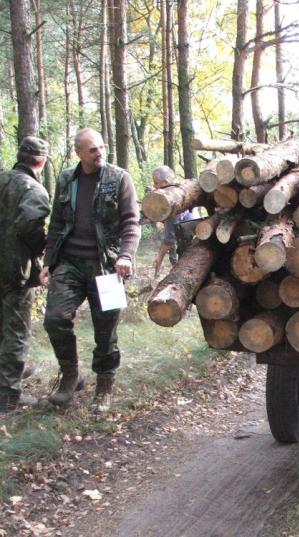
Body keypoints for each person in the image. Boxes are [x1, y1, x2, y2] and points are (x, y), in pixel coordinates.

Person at [40, 128, 140, 414]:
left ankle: (105, 385)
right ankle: (71, 375)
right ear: (79, 153)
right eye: (92, 150)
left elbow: (131, 222)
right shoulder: (66, 179)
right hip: (69, 263)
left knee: (105, 331)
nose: (99, 153)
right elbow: (57, 223)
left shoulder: (118, 178)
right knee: (55, 319)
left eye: (101, 148)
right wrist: (48, 262)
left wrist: (126, 256)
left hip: (106, 266)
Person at [0, 137, 52, 413]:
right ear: (41, 162)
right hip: (14, 270)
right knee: (16, 332)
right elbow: (30, 224)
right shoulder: (34, 189)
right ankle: (8, 396)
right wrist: (39, 251)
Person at [149, 166, 200, 275]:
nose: (154, 186)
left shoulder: (173, 204)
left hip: (190, 246)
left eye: (156, 183)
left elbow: (169, 240)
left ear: (165, 183)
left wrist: (159, 258)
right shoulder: (184, 190)